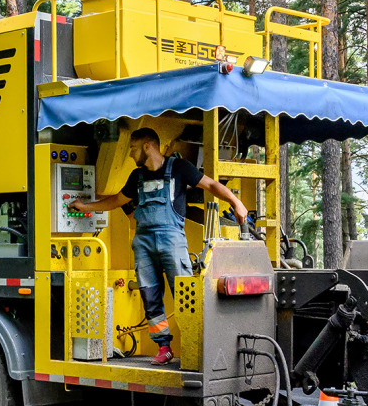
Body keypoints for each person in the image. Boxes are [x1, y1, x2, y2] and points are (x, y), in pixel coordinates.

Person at [70, 127, 249, 365]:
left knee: (186, 294)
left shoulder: (180, 168)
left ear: (147, 145)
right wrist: (85, 207)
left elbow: (212, 186)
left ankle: (198, 345)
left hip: (172, 239)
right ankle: (164, 347)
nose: (131, 154)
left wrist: (236, 202)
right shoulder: (136, 177)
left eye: (133, 148)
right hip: (143, 242)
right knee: (150, 296)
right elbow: (115, 201)